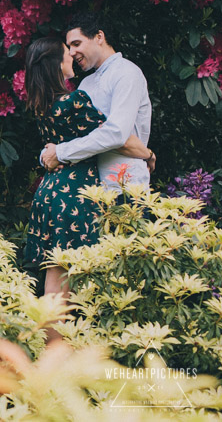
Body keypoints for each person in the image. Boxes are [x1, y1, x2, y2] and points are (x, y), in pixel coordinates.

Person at [23, 37, 152, 343]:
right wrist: (148, 154)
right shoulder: (74, 101)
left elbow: (51, 148)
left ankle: (48, 353)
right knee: (69, 284)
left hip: (50, 191)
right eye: (66, 53)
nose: (71, 56)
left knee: (54, 280)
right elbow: (116, 136)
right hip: (73, 193)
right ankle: (58, 357)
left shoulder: (42, 104)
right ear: (56, 64)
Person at [41, 12, 155, 187]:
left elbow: (116, 134)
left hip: (123, 186)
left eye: (76, 44)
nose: (71, 53)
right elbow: (71, 135)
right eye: (69, 47)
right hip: (88, 190)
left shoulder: (127, 73)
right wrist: (48, 155)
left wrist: (61, 152)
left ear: (99, 37)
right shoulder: (86, 83)